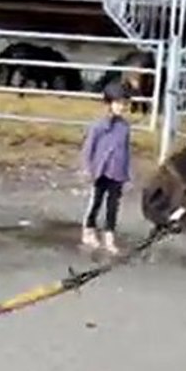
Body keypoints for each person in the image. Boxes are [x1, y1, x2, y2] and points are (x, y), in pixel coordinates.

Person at [80, 81, 132, 255]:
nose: (121, 107)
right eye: (118, 103)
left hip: (117, 172)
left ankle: (109, 237)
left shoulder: (124, 127)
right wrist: (88, 168)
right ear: (109, 104)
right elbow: (89, 148)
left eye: (124, 103)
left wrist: (126, 173)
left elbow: (125, 150)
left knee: (113, 206)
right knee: (96, 202)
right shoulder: (99, 126)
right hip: (101, 170)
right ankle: (88, 230)